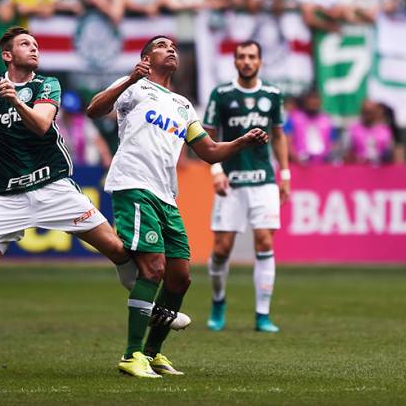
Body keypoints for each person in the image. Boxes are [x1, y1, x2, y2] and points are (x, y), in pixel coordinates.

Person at [0, 26, 142, 380]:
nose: (35, 49)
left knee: (117, 248)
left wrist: (15, 100)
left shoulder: (48, 85)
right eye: (26, 44)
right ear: (7, 55)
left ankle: (153, 307)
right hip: (8, 195)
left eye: (37, 44)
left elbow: (42, 125)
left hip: (53, 186)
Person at [86, 36, 269, 379]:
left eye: (173, 46)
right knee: (153, 269)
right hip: (133, 184)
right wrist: (129, 78)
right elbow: (94, 109)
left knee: (180, 278)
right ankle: (131, 355)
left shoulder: (184, 105)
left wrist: (243, 142)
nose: (170, 49)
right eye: (160, 45)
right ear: (145, 57)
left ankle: (154, 353)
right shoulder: (134, 86)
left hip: (166, 194)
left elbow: (209, 150)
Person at [202, 40, 290, 333]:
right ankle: (218, 302)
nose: (247, 61)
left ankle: (262, 315)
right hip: (231, 182)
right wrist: (215, 170)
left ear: (260, 62)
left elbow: (278, 135)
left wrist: (285, 174)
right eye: (242, 57)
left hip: (263, 180)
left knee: (265, 242)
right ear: (235, 62)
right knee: (221, 249)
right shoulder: (222, 94)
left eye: (252, 57)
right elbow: (206, 136)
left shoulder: (273, 94)